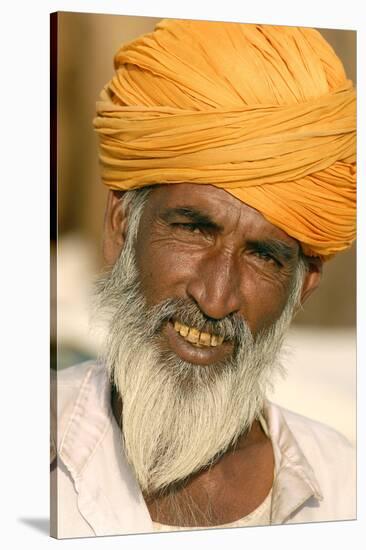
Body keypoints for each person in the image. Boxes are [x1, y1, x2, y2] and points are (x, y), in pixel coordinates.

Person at [50, 19, 356, 539]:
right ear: (121, 225)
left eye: (263, 257)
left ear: (303, 286)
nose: (215, 298)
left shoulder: (346, 487)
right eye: (192, 229)